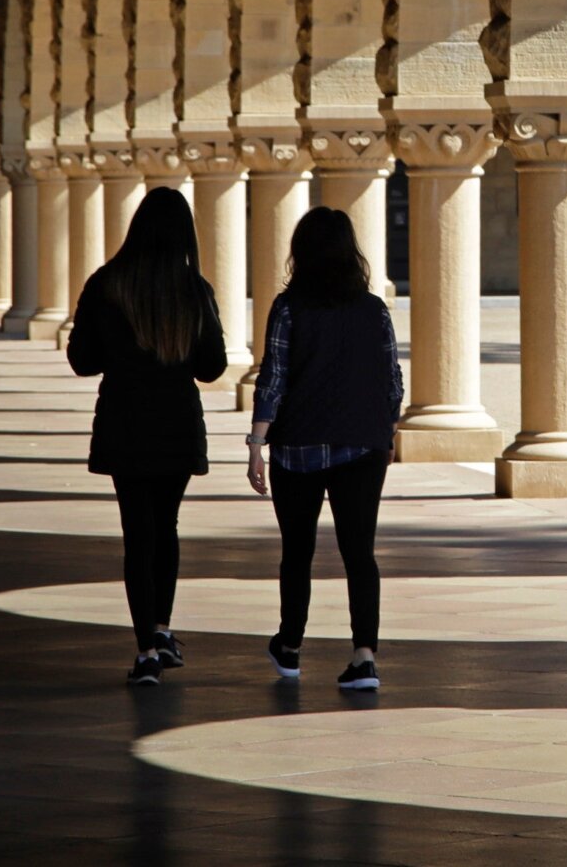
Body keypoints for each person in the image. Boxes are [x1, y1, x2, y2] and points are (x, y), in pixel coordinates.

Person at [66, 187, 227, 687]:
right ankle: (161, 629)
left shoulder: (107, 283)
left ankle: (144, 652)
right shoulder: (193, 289)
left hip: (125, 422)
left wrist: (121, 352)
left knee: (138, 535)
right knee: (167, 526)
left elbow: (81, 360)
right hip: (176, 424)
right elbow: (213, 367)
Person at [246, 207, 403, 692]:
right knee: (361, 553)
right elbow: (393, 380)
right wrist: (385, 431)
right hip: (362, 444)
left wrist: (257, 442)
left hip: (298, 446)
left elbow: (274, 377)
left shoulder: (289, 307)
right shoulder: (373, 309)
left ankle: (290, 647)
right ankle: (364, 657)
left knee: (298, 552)